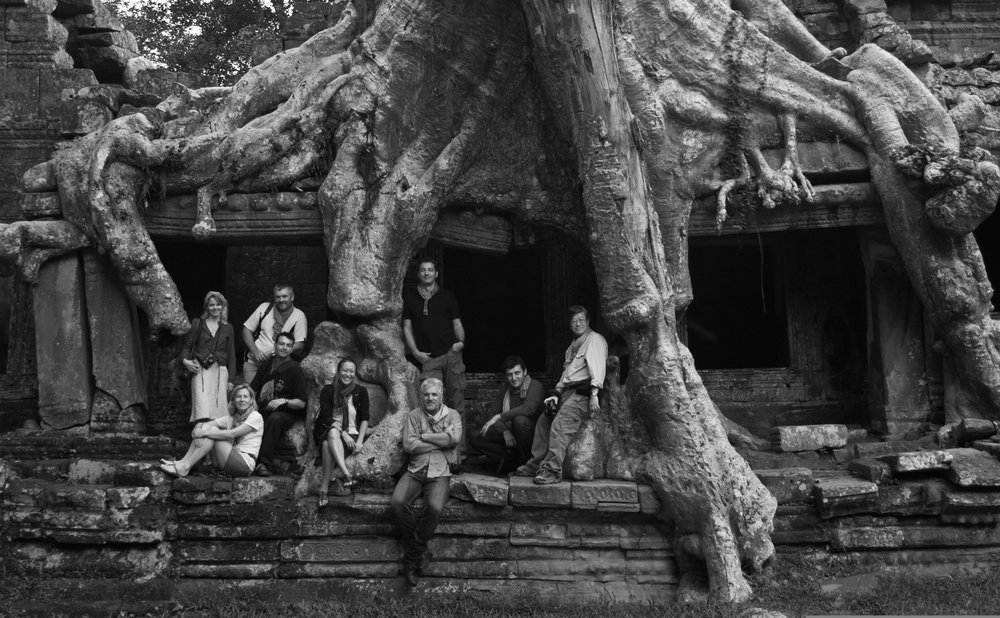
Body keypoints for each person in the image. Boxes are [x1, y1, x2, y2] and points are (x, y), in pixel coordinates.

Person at [511, 306, 607, 485]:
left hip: (583, 394)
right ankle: (535, 464)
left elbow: (598, 369)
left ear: (588, 321)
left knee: (560, 424)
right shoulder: (573, 346)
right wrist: (556, 394)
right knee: (543, 420)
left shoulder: (595, 340)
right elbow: (566, 375)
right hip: (568, 393)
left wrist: (594, 393)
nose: (578, 324)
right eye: (573, 321)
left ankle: (552, 471)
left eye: (581, 320)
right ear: (570, 325)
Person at [391, 378, 462, 587]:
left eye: (434, 394)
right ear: (421, 396)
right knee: (397, 504)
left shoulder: (453, 415)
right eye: (426, 394)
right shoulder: (413, 416)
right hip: (415, 470)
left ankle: (411, 558)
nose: (430, 398)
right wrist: (441, 441)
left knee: (433, 508)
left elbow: (455, 440)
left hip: (440, 471)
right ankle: (421, 552)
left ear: (441, 396)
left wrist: (424, 437)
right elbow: (408, 446)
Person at [402, 259, 466, 454]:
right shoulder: (410, 297)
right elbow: (407, 327)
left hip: (450, 354)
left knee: (457, 401)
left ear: (436, 274)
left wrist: (460, 343)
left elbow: (456, 322)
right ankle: (435, 450)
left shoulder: (447, 296)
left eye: (430, 270)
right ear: (418, 274)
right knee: (431, 403)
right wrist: (415, 352)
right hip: (428, 358)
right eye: (423, 270)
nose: (427, 273)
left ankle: (459, 454)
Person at [160, 383, 263, 478]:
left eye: (245, 396)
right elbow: (202, 425)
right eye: (238, 396)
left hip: (244, 464)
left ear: (251, 400)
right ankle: (182, 463)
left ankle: (185, 467)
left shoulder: (255, 416)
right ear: (233, 401)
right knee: (209, 429)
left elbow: (231, 434)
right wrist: (197, 430)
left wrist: (203, 433)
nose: (242, 399)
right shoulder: (231, 418)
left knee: (211, 431)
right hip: (225, 460)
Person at [469, 356, 544, 475]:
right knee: (476, 435)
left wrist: (499, 417)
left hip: (532, 437)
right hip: (512, 434)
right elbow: (492, 413)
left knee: (519, 420)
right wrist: (504, 431)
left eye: (517, 373)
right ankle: (512, 462)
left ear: (525, 372)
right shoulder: (506, 389)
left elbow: (528, 409)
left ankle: (527, 465)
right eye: (510, 374)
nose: (514, 378)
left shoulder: (535, 385)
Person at [249, 332, 308, 476]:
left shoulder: (295, 369)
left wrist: (284, 401)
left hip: (286, 413)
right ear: (275, 345)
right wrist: (251, 404)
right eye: (281, 344)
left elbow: (301, 403)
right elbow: (252, 389)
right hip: (264, 408)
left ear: (292, 349)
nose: (284, 348)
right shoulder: (266, 365)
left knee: (275, 419)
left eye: (288, 345)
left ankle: (263, 463)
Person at [314, 357, 370, 506]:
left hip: (352, 433)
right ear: (338, 372)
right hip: (331, 430)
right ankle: (347, 474)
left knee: (327, 445)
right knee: (332, 432)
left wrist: (359, 442)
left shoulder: (361, 391)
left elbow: (365, 418)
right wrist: (343, 434)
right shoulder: (328, 390)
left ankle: (324, 489)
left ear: (355, 374)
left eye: (351, 371)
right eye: (345, 370)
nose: (348, 374)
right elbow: (326, 417)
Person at [178, 291, 237, 422]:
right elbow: (187, 346)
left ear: (223, 306)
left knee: (219, 411)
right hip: (199, 370)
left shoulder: (228, 327)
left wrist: (231, 379)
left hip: (220, 371)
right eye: (211, 305)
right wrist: (185, 362)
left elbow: (231, 354)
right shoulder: (197, 323)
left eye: (218, 305)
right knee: (201, 408)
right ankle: (201, 435)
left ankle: (214, 437)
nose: (215, 308)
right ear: (207, 307)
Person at [241, 284, 308, 384]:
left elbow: (299, 345)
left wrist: (274, 352)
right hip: (253, 363)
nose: (281, 300)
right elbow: (246, 330)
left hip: (280, 366)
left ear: (292, 297)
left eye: (285, 296)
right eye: (278, 297)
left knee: (272, 397)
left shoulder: (299, 316)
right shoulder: (264, 308)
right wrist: (255, 352)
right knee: (249, 396)